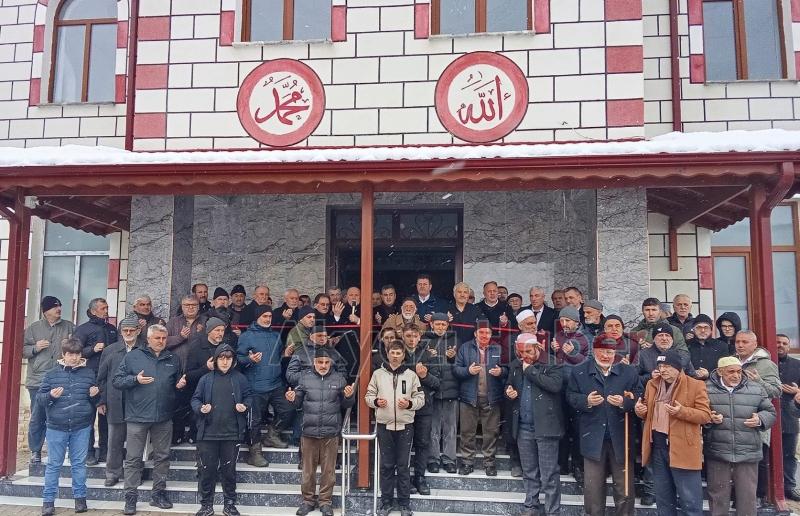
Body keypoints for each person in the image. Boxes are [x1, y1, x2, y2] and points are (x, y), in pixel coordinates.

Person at [113, 324, 187, 515]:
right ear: (148, 338)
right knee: (133, 459)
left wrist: (180, 385)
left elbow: (176, 384)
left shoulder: (173, 358)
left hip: (163, 417)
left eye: (164, 338)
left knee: (162, 457)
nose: (161, 342)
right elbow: (117, 381)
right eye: (157, 338)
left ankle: (158, 494)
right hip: (137, 417)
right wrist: (134, 380)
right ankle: (130, 498)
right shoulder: (133, 357)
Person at [566, 334, 642, 516]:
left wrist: (624, 402)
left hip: (621, 437)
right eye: (602, 352)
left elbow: (639, 396)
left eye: (610, 352)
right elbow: (570, 396)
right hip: (592, 438)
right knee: (593, 487)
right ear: (594, 351)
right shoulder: (579, 371)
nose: (607, 356)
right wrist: (587, 401)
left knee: (624, 486)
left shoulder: (628, 371)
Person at [634, 350, 710, 516]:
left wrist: (681, 412)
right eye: (660, 366)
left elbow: (705, 415)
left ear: (678, 367)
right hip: (658, 448)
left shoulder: (696, 385)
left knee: (690, 502)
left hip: (684, 448)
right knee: (663, 500)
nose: (663, 370)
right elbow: (647, 411)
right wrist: (640, 410)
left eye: (667, 366)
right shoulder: (652, 384)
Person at [286, 348, 356, 516]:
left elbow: (347, 406)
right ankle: (307, 501)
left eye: (326, 362)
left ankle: (325, 502)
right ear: (314, 362)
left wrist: (349, 396)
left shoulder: (339, 379)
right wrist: (292, 398)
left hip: (331, 433)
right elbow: (297, 403)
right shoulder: (304, 378)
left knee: (328, 471)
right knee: (308, 471)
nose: (323, 366)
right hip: (308, 432)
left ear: (331, 363)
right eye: (320, 362)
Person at [705, 356, 777, 516]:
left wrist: (760, 419)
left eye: (739, 371)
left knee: (747, 498)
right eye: (731, 372)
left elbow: (771, 412)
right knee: (717, 497)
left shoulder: (755, 388)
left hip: (748, 451)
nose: (736, 375)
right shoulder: (706, 389)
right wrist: (709, 418)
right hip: (718, 450)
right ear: (720, 372)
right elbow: (699, 413)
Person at [38, 337, 100, 516]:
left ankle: (80, 499)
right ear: (63, 355)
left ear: (81, 355)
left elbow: (94, 400)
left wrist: (95, 395)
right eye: (70, 354)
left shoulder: (89, 374)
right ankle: (48, 502)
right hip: (56, 427)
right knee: (54, 465)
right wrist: (50, 395)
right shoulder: (51, 374)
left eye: (76, 354)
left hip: (81, 426)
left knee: (79, 464)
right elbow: (40, 400)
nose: (73, 358)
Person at [505, 333, 564, 516]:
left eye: (528, 351)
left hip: (546, 427)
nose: (524, 356)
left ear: (538, 348)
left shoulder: (552, 362)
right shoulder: (516, 364)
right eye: (521, 352)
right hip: (523, 426)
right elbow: (509, 384)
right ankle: (531, 506)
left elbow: (555, 386)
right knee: (529, 471)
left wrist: (529, 370)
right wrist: (509, 391)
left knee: (549, 474)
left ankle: (552, 511)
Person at [191, 343, 252, 516]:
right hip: (208, 433)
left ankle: (230, 504)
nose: (225, 362)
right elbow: (195, 399)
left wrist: (245, 406)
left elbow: (249, 397)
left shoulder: (240, 379)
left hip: (231, 433)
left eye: (229, 359)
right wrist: (200, 408)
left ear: (233, 361)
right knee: (206, 471)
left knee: (229, 472)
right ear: (216, 360)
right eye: (222, 358)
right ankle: (206, 505)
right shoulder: (206, 379)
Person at [366, 340, 424, 516]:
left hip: (406, 426)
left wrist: (409, 403)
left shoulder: (411, 375)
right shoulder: (378, 374)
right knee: (386, 466)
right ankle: (386, 502)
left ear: (403, 355)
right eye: (393, 352)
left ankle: (404, 504)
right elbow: (368, 396)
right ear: (388, 353)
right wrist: (376, 402)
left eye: (399, 353)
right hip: (385, 425)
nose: (396, 356)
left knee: (403, 466)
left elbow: (421, 398)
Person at [236, 306, 294, 465]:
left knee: (288, 409)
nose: (268, 319)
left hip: (275, 384)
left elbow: (278, 356)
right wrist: (250, 360)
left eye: (269, 316)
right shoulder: (247, 336)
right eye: (264, 316)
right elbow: (238, 358)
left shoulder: (276, 335)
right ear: (257, 317)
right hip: (255, 385)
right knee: (254, 421)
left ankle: (272, 435)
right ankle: (254, 453)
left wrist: (285, 354)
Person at [23, 296, 75, 465]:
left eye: (60, 306)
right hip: (37, 380)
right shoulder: (33, 328)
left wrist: (69, 345)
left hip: (62, 378)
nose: (59, 309)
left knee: (63, 415)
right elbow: (21, 350)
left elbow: (78, 348)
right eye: (54, 307)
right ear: (45, 311)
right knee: (37, 417)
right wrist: (35, 348)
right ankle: (36, 451)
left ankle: (63, 451)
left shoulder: (69, 327)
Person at [454, 318, 507, 476]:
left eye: (488, 333)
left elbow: (507, 370)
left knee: (491, 433)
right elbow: (456, 370)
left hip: (491, 398)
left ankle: (489, 463)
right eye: (481, 332)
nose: (485, 335)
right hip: (469, 397)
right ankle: (467, 462)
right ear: (475, 334)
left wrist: (501, 372)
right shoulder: (465, 348)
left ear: (491, 334)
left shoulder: (497, 348)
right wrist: (468, 372)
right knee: (467, 432)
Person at [735, 329, 781, 504]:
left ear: (754, 345)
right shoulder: (733, 361)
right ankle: (738, 497)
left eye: (744, 342)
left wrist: (758, 382)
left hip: (756, 418)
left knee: (757, 460)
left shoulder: (766, 364)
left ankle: (758, 497)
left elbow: (776, 391)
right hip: (735, 420)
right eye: (738, 342)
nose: (740, 345)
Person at [96, 316, 140, 487]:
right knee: (114, 440)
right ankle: (112, 473)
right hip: (115, 402)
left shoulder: (144, 349)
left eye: (131, 330)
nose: (128, 333)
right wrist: (101, 401)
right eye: (125, 330)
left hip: (137, 403)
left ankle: (132, 474)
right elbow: (101, 378)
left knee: (135, 441)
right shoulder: (110, 350)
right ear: (121, 332)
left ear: (138, 330)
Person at [74, 297, 118, 466]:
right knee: (89, 415)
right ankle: (89, 452)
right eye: (102, 308)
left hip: (109, 377)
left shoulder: (112, 329)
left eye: (107, 307)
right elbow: (75, 352)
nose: (106, 311)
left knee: (106, 415)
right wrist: (92, 349)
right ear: (93, 311)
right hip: (89, 376)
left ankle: (105, 451)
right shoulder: (83, 329)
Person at [401, 323, 441, 495]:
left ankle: (420, 477)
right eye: (408, 336)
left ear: (419, 337)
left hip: (423, 407)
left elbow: (438, 382)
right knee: (403, 445)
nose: (411, 339)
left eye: (414, 336)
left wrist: (424, 376)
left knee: (422, 443)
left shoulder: (429, 355)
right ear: (402, 336)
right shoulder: (397, 354)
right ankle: (404, 479)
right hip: (402, 407)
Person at [424, 313, 460, 474]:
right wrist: (428, 356)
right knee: (433, 428)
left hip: (450, 389)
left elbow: (461, 365)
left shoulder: (454, 340)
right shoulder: (424, 340)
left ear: (447, 326)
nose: (440, 327)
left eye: (443, 325)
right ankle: (433, 459)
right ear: (431, 324)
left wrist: (453, 359)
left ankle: (449, 459)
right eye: (437, 324)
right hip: (432, 390)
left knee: (450, 428)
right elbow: (418, 362)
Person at [777, 333, 800, 501]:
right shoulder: (767, 364)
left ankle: (790, 487)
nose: (780, 345)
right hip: (770, 415)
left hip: (790, 415)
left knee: (789, 455)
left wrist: (798, 392)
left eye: (784, 343)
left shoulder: (797, 365)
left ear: (789, 346)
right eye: (777, 342)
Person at [686, 314, 728, 380]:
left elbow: (726, 369)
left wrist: (709, 374)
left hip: (715, 386)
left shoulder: (721, 346)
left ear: (711, 330)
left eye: (706, 327)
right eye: (699, 327)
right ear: (693, 329)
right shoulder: (686, 345)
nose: (702, 330)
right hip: (690, 384)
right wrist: (693, 373)